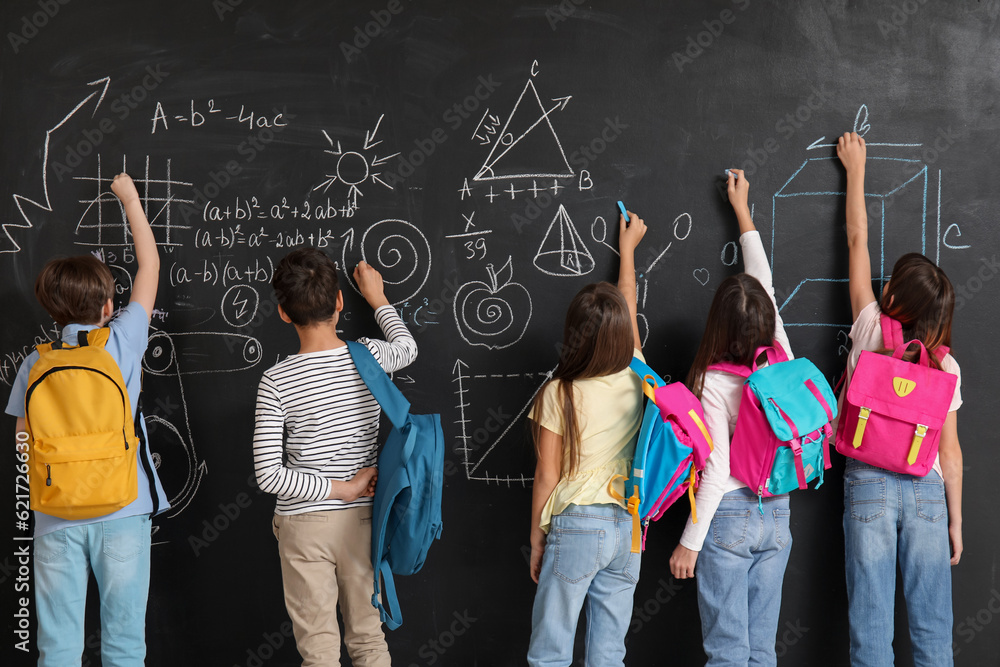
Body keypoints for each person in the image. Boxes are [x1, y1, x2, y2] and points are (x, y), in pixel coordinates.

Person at [5, 173, 171, 666]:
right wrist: (130, 199)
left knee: (57, 648)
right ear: (107, 305)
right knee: (123, 644)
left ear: (53, 307)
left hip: (55, 514)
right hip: (122, 508)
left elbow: (22, 442)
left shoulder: (34, 363)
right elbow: (150, 264)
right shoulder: (122, 342)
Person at [253, 248, 417, 667]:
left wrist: (335, 489)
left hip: (303, 524)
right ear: (341, 302)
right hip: (363, 519)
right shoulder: (370, 358)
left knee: (319, 650)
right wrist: (377, 298)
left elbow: (269, 475)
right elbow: (408, 347)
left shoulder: (275, 381)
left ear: (284, 314)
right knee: (368, 639)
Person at [836, 131, 963, 667]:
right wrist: (956, 521)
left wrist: (855, 169)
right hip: (926, 491)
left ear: (891, 298)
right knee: (933, 633)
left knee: (871, 633)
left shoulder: (869, 327)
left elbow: (857, 239)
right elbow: (951, 455)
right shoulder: (946, 366)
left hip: (868, 483)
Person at [668, 169, 793, 667]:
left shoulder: (714, 382)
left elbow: (717, 469)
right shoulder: (781, 353)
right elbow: (763, 281)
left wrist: (689, 544)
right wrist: (744, 212)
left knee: (725, 652)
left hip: (729, 518)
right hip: (778, 511)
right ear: (766, 320)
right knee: (761, 652)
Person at [526, 209, 647, 666]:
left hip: (577, 524)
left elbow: (547, 474)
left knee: (551, 652)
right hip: (628, 527)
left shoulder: (561, 391)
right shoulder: (638, 373)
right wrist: (629, 249)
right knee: (608, 655)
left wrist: (537, 539)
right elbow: (628, 303)